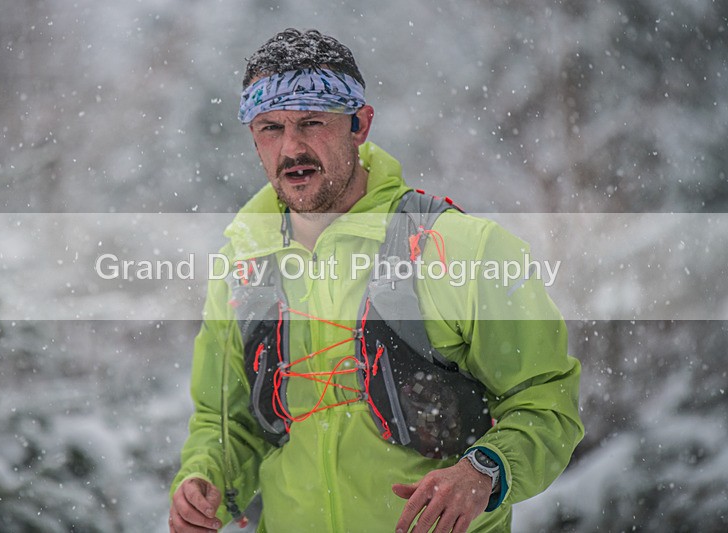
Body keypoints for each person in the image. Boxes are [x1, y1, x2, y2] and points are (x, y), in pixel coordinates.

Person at [169, 28, 584, 533]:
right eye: (270, 128)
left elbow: (546, 403)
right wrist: (205, 478)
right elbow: (226, 421)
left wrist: (485, 470)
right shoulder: (242, 264)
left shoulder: (462, 249)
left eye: (312, 122)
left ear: (360, 125)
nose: (291, 147)